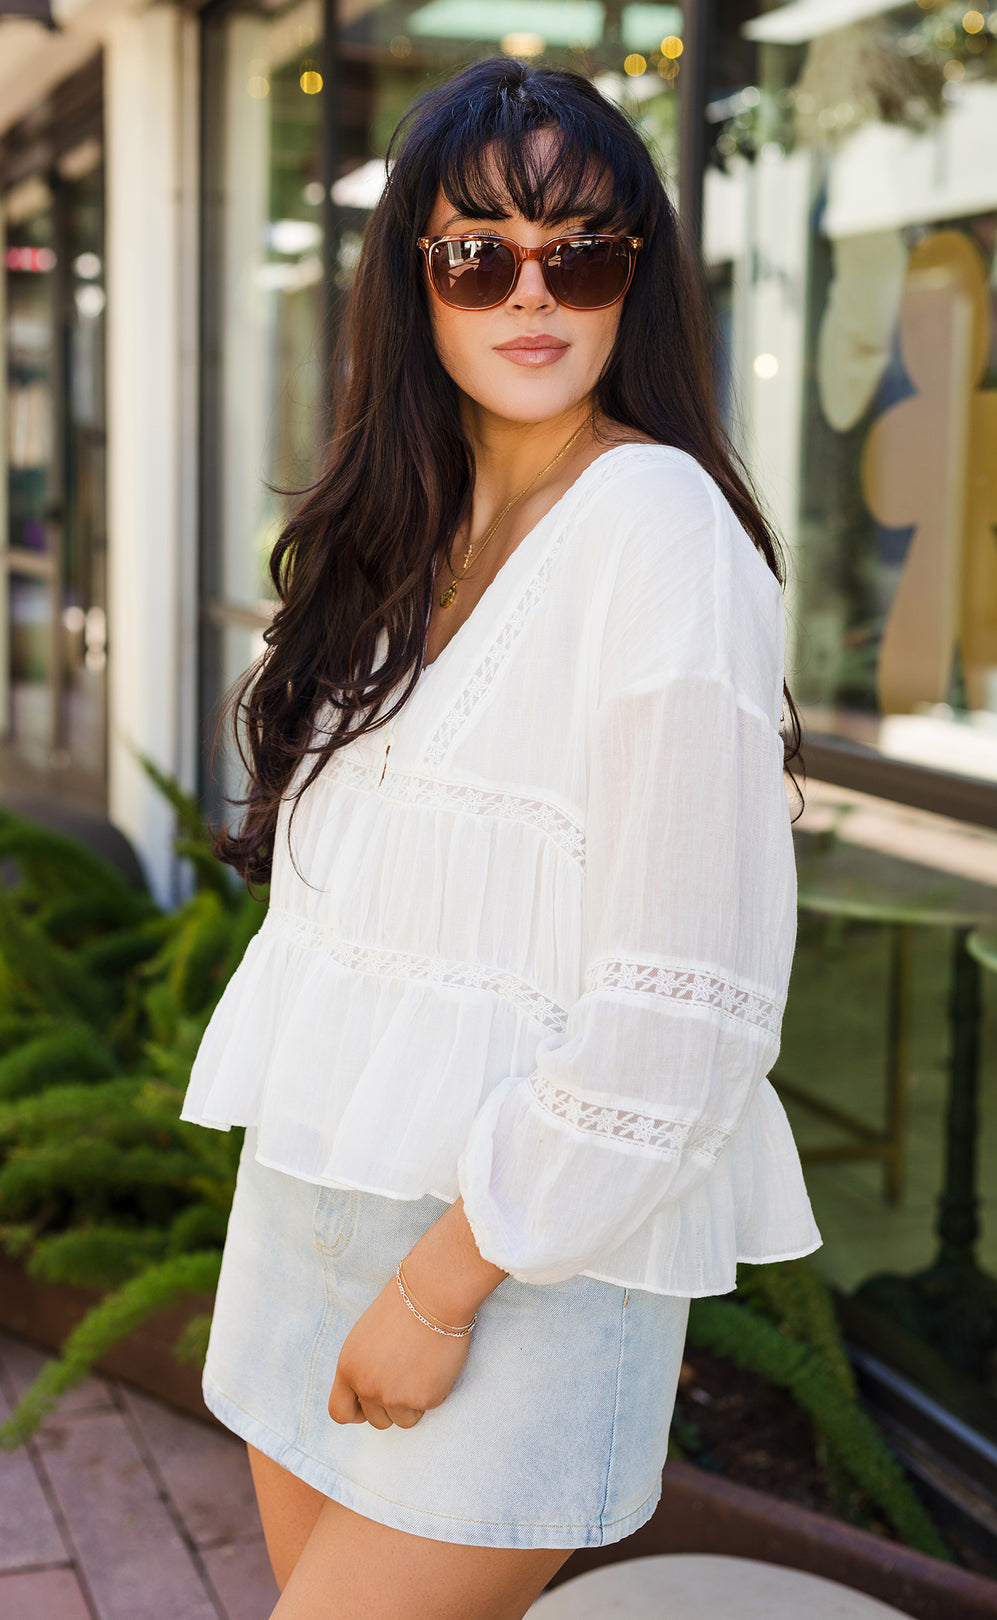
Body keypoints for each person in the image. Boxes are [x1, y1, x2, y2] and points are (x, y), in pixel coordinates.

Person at [180, 55, 821, 1620]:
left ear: (634, 282)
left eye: (580, 253)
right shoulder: (411, 525)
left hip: (509, 1262)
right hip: (309, 1207)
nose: (531, 293)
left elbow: (684, 1009)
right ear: (417, 281)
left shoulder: (661, 534)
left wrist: (439, 1290)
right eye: (479, 254)